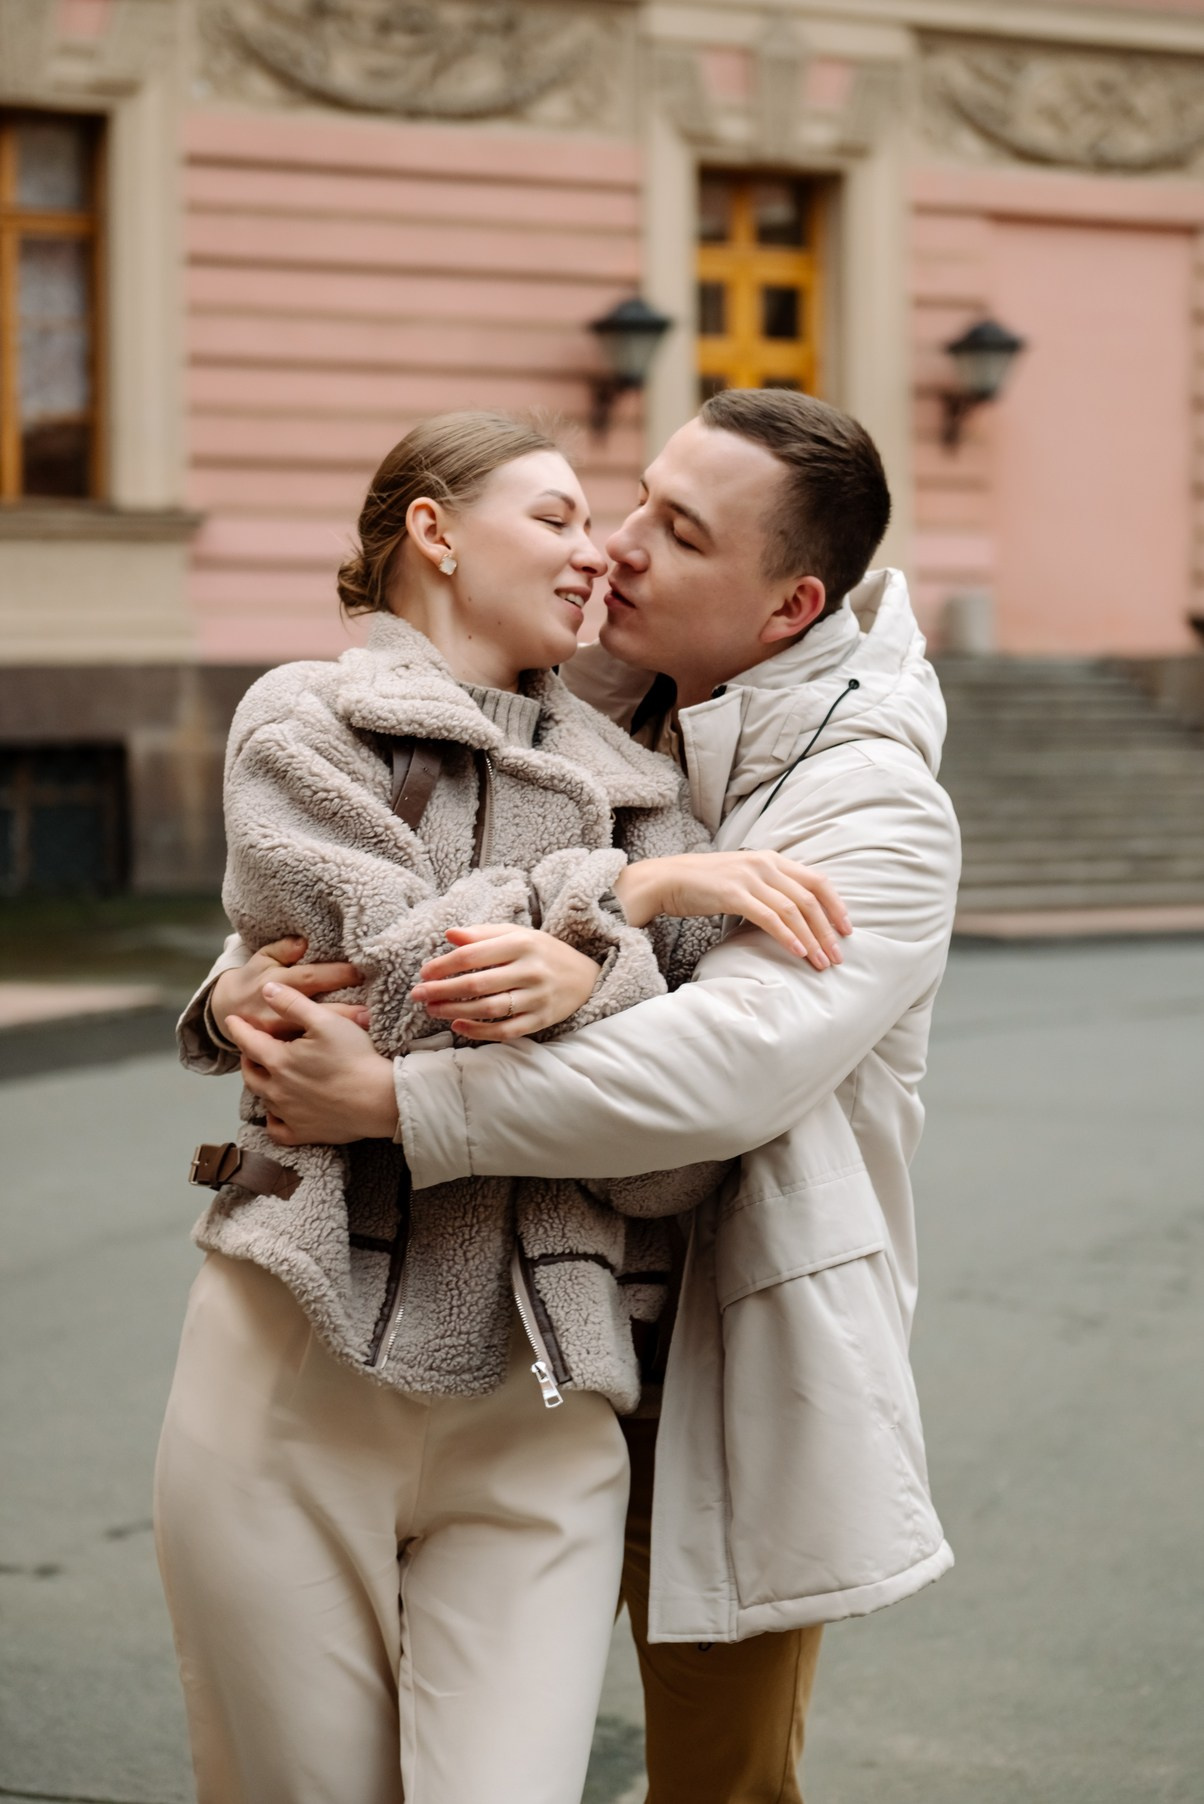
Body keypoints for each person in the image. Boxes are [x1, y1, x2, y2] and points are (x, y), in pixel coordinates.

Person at [215, 389, 962, 1804]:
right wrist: (231, 990)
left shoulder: (875, 808)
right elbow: (349, 887)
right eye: (633, 500)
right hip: (520, 1330)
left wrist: (397, 1105)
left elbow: (720, 1071)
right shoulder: (579, 697)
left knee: (717, 1778)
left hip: (725, 1354)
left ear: (788, 604)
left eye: (677, 534)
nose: (615, 547)